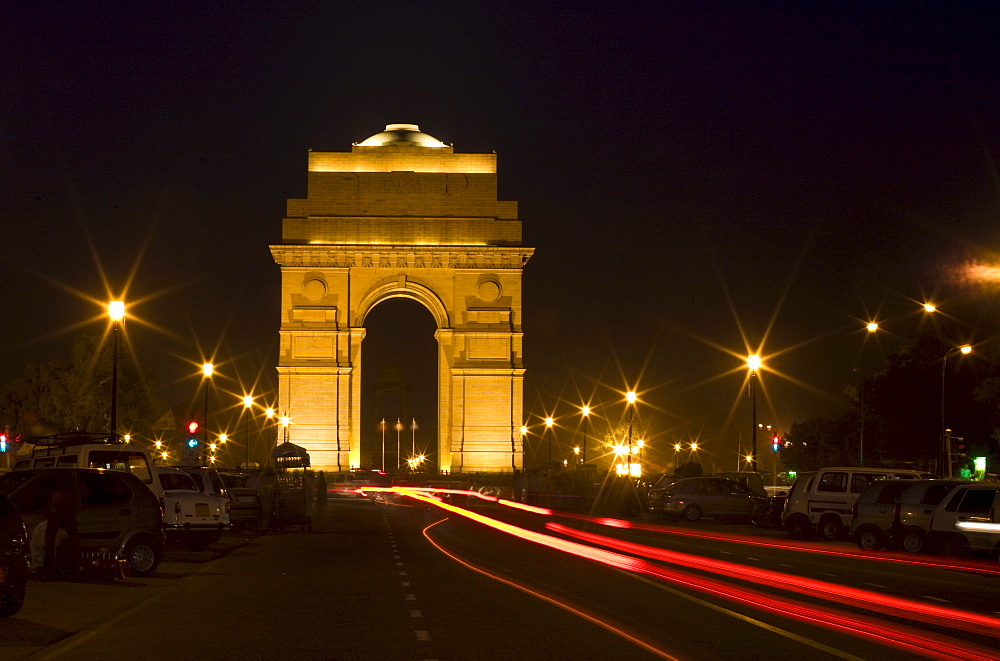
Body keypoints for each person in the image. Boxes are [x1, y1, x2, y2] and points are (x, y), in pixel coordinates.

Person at [42, 488, 79, 578]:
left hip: (56, 508)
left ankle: (49, 568)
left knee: (50, 540)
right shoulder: (71, 491)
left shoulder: (53, 488)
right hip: (67, 508)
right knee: (73, 540)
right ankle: (73, 568)